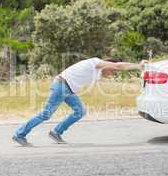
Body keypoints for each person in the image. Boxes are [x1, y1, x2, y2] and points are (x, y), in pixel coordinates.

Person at [12, 57, 147, 146]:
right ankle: (20, 134)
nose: (112, 74)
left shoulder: (97, 73)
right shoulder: (96, 63)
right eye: (112, 72)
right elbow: (118, 66)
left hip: (67, 89)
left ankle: (56, 132)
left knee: (80, 111)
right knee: (45, 114)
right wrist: (138, 66)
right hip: (61, 86)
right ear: (109, 66)